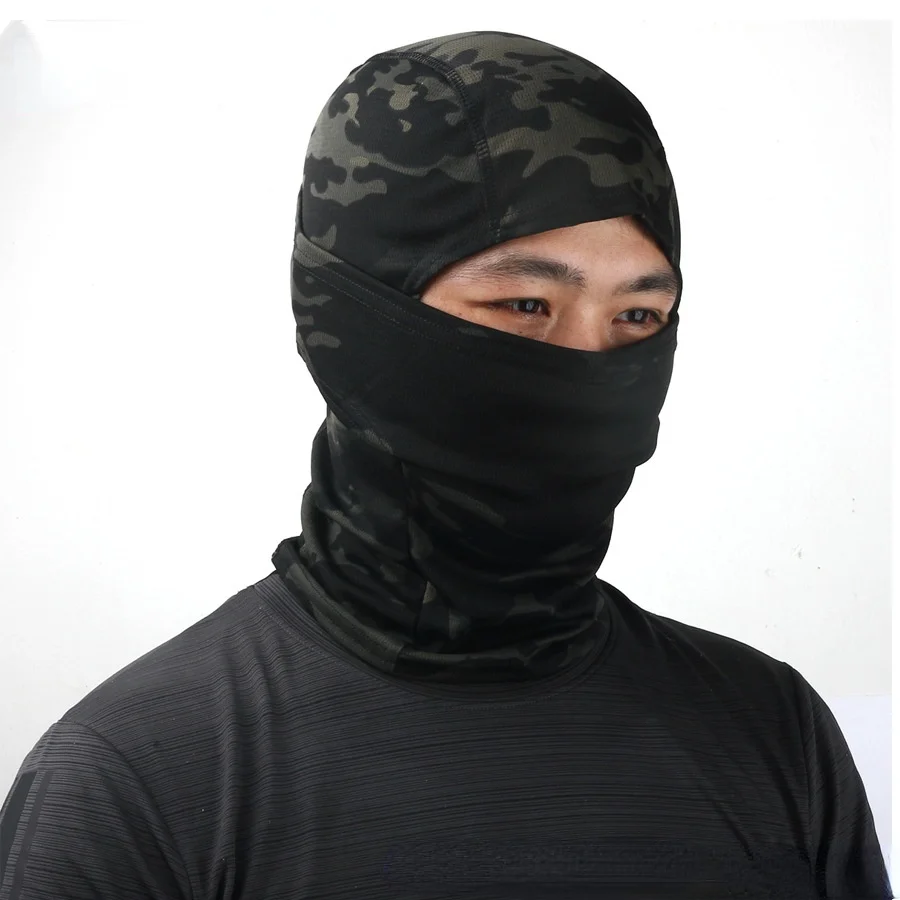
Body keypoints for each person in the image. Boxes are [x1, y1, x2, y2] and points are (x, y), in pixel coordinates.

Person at [0, 30, 891, 900]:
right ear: (350, 319)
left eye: (636, 317)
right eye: (524, 304)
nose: (588, 367)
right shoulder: (133, 787)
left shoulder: (775, 733)